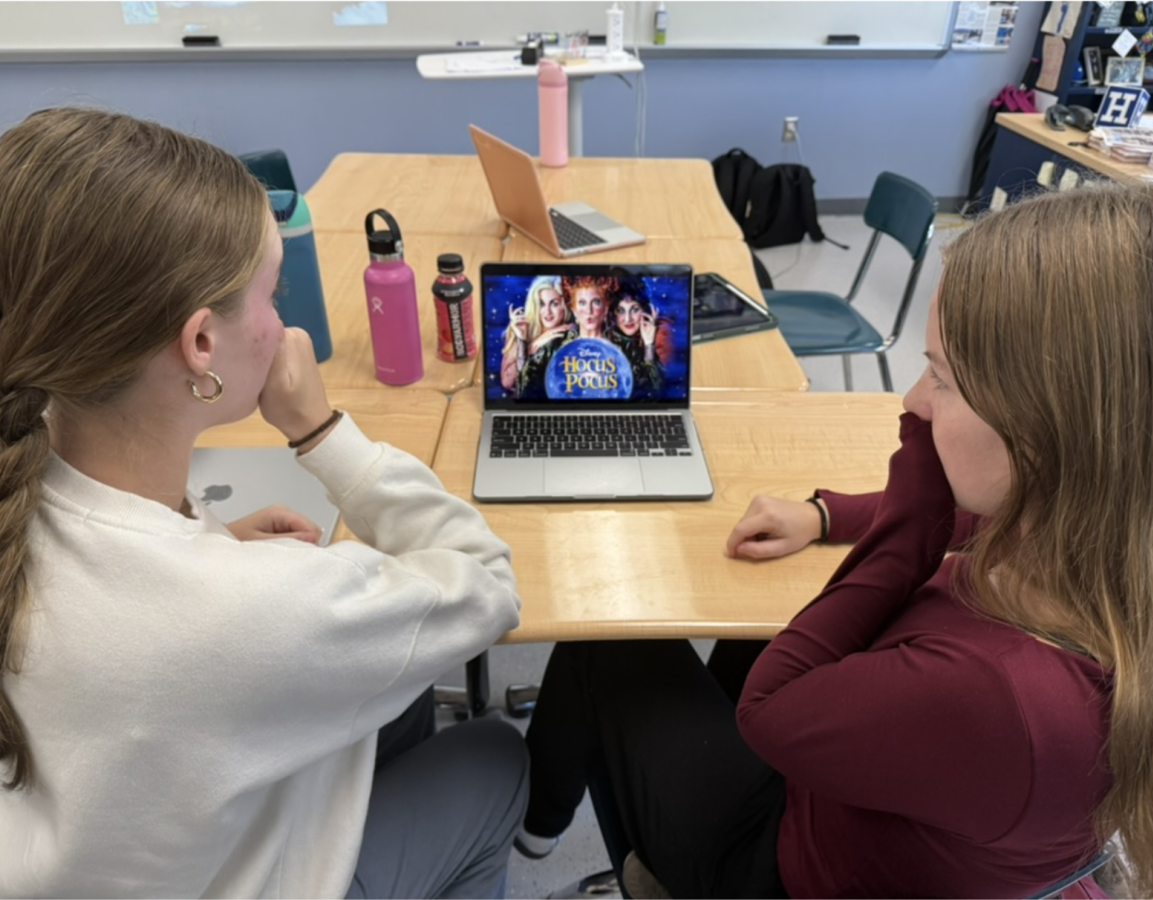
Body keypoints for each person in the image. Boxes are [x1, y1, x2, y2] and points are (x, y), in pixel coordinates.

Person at [515, 182, 1153, 898]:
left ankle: (531, 827)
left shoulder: (1002, 697)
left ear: (1046, 429)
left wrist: (910, 502)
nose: (913, 403)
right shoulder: (1121, 540)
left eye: (942, 378)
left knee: (609, 643)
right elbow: (972, 517)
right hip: (882, 812)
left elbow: (768, 711)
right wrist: (824, 516)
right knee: (755, 620)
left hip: (783, 864)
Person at [0, 107, 528, 898]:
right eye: (273, 294)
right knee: (496, 758)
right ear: (201, 345)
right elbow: (486, 583)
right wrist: (319, 430)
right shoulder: (254, 608)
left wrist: (208, 538)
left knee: (402, 707)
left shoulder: (27, 471)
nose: (284, 327)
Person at [500, 276, 572, 398]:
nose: (547, 312)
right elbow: (508, 383)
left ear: (564, 306)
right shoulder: (521, 327)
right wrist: (530, 345)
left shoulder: (571, 332)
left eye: (554, 304)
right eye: (541, 304)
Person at [608, 282, 667, 398]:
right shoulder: (607, 339)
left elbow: (658, 389)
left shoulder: (661, 334)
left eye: (634, 309)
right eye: (620, 311)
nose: (627, 319)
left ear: (646, 310)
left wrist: (648, 344)